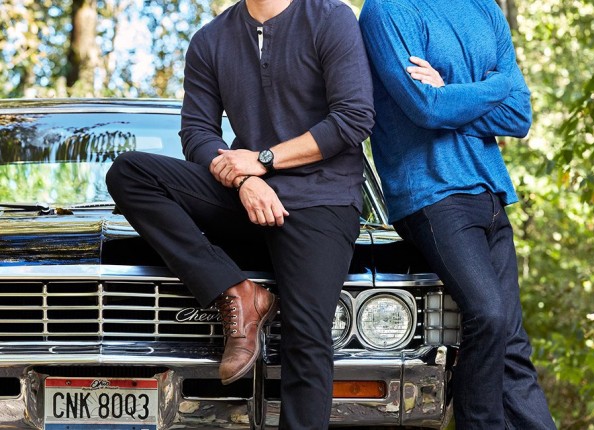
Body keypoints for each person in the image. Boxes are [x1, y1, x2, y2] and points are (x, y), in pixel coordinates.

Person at [106, 0, 374, 428]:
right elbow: (197, 132)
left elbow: (353, 118)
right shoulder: (210, 40)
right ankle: (237, 291)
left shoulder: (330, 17)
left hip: (320, 199)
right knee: (131, 172)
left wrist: (263, 160)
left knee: (305, 338)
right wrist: (244, 179)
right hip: (244, 197)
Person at [359, 1, 556, 428]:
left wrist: (450, 90)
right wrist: (493, 85)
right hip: (431, 193)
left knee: (511, 342)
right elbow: (425, 107)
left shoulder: (484, 8)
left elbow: (519, 115)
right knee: (488, 314)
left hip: (490, 190)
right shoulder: (387, 11)